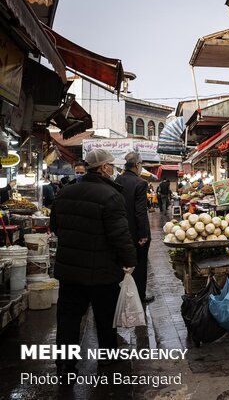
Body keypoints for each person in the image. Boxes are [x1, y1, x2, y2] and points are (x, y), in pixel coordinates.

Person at [50, 149, 136, 376]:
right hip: (103, 270)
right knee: (105, 317)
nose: (112, 170)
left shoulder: (65, 193)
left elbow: (55, 228)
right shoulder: (110, 195)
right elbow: (120, 234)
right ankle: (108, 359)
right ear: (104, 168)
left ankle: (65, 365)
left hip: (70, 271)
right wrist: (129, 261)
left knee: (68, 319)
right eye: (111, 165)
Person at [115, 152, 153, 303]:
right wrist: (143, 234)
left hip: (120, 229)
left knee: (122, 263)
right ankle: (139, 296)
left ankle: (121, 294)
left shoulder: (117, 180)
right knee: (140, 265)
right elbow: (140, 212)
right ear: (137, 165)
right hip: (136, 232)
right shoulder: (140, 183)